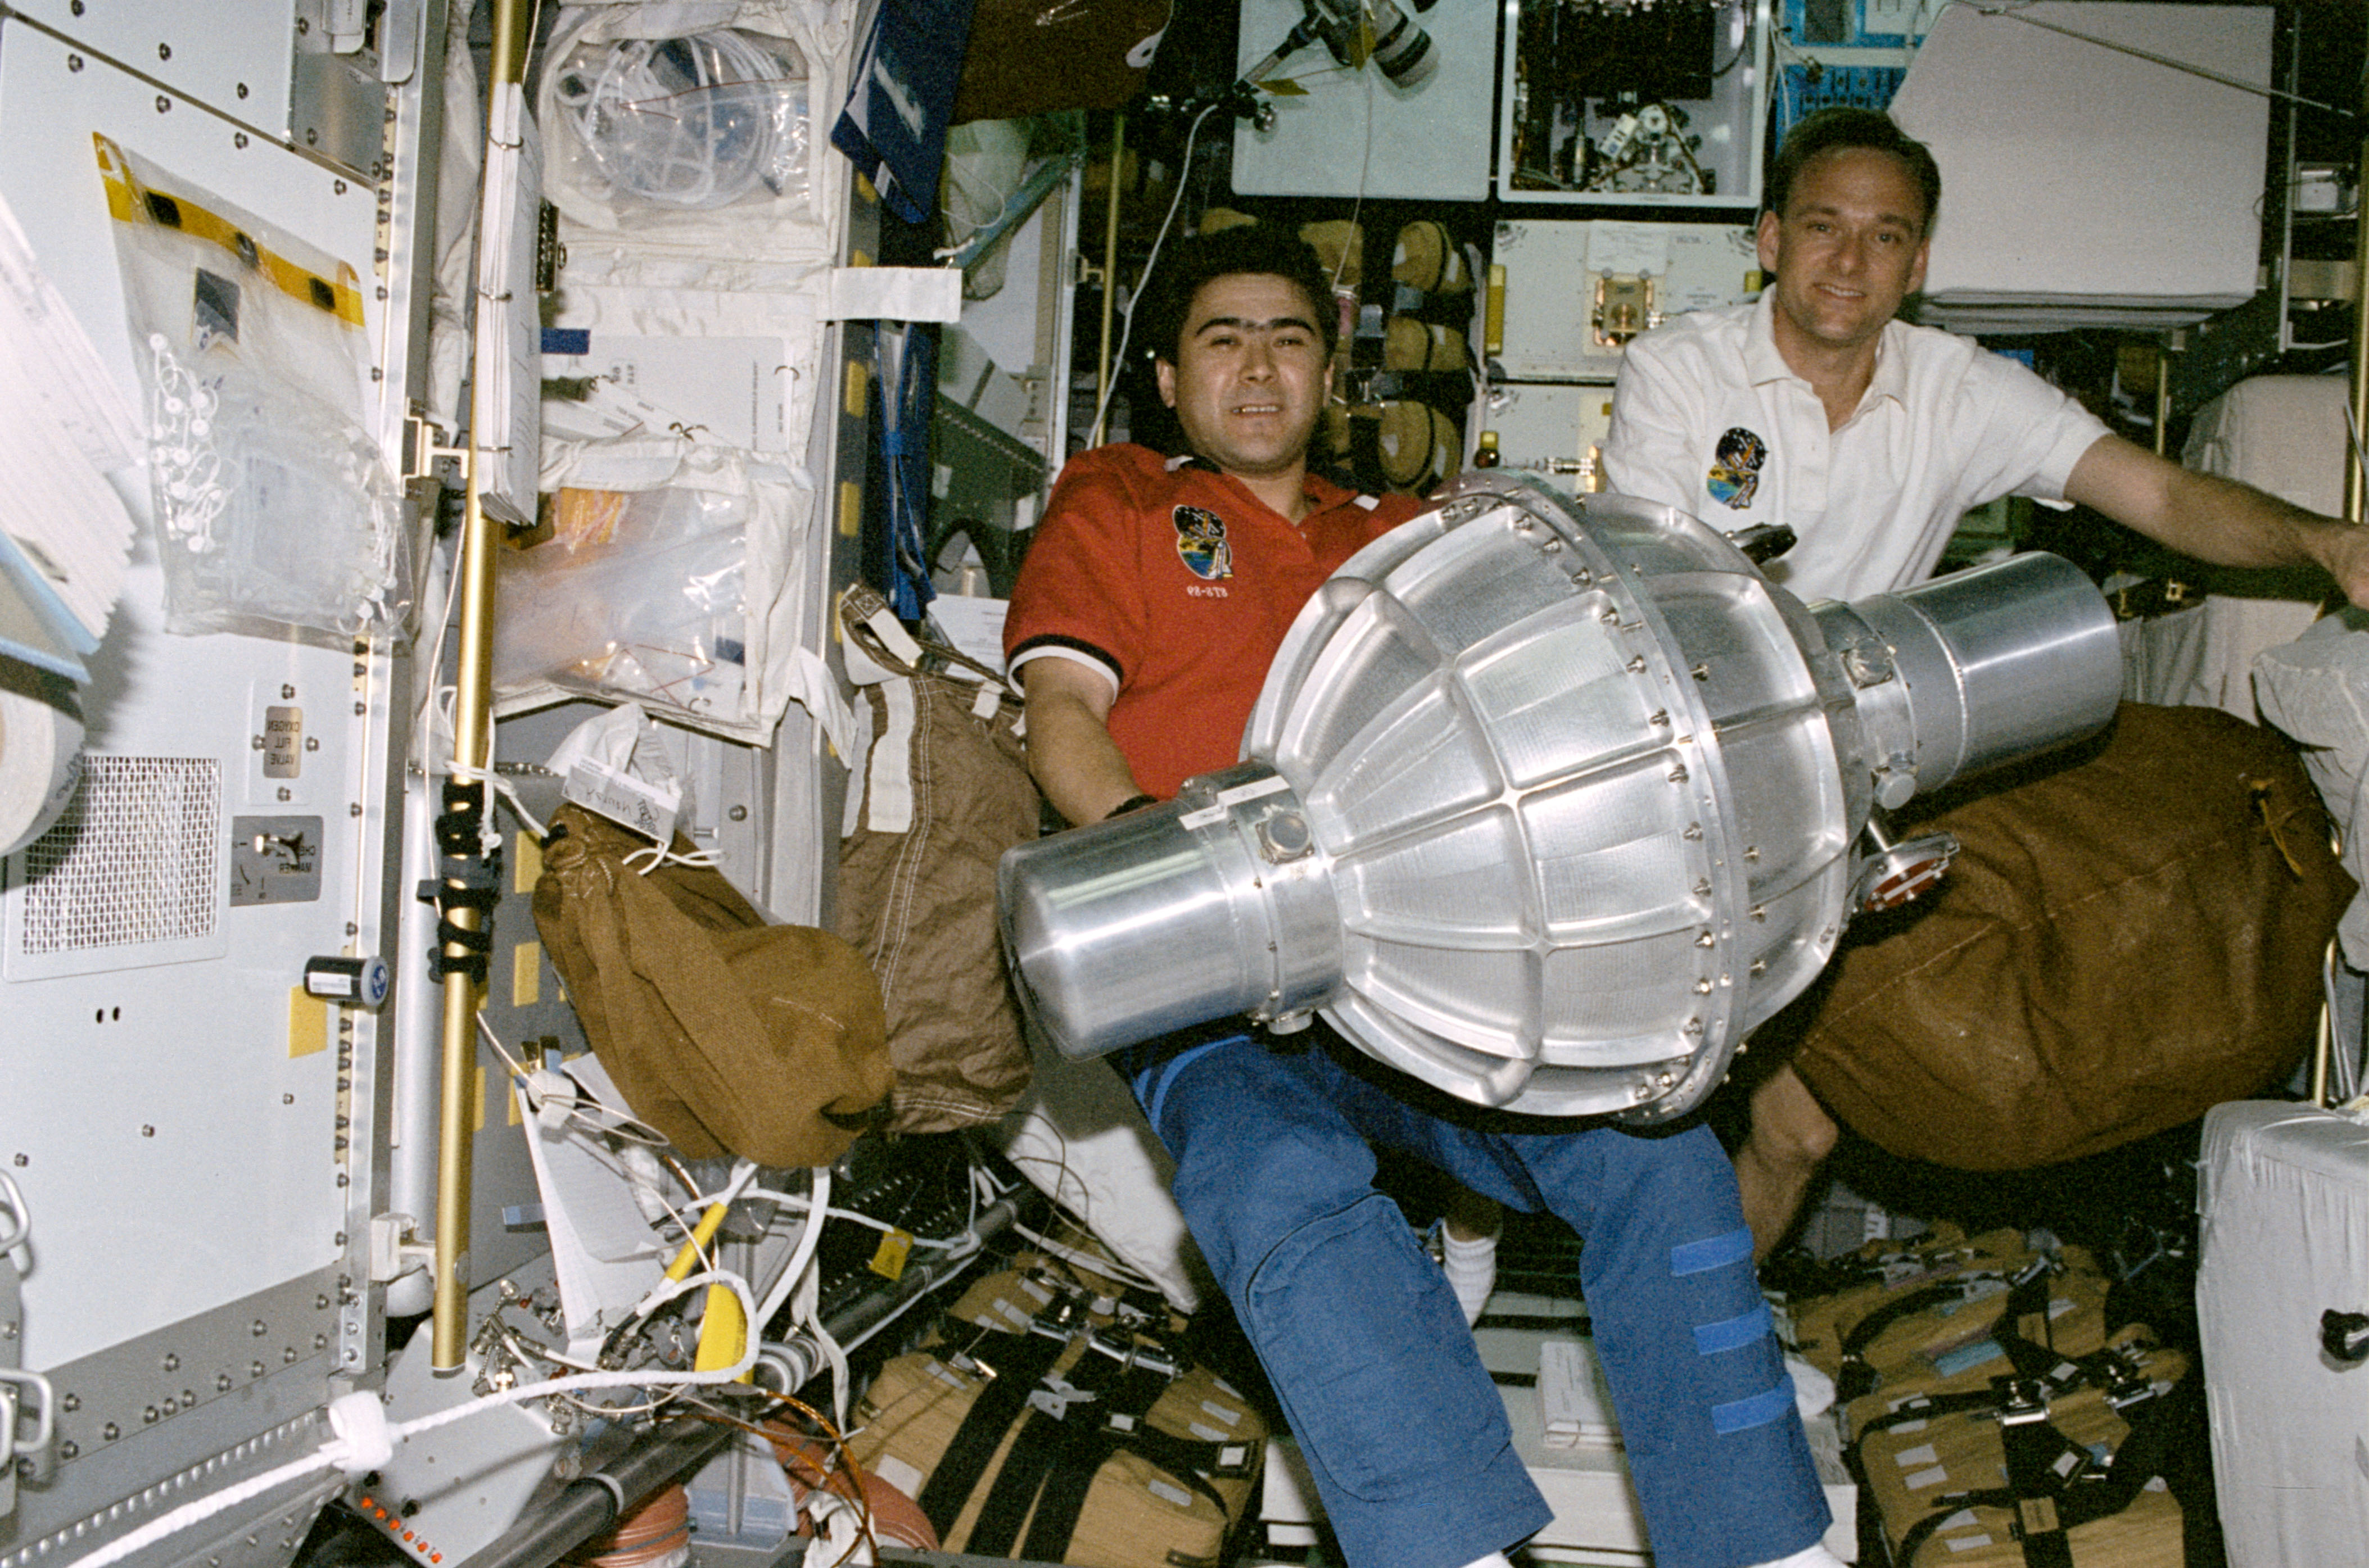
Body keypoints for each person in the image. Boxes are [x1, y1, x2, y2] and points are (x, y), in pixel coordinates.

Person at [1006, 221, 1842, 1568]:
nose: (1259, 368)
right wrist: (1170, 868)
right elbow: (1061, 714)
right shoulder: (1121, 506)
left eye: (1290, 338)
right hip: (1211, 974)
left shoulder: (1406, 540)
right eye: (1222, 339)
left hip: (1425, 982)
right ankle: (1449, 1545)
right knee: (1274, 1171)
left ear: (1331, 376)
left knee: (1661, 1170)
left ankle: (1760, 1545)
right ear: (1168, 378)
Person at [1603, 107, 2369, 1258]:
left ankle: (1703, 1367)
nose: (1848, 262)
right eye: (1821, 227)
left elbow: (2159, 498)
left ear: (1919, 262)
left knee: (1798, 1133)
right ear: (1767, 239)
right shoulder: (1678, 371)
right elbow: (1654, 598)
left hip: (1857, 788)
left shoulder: (1958, 388)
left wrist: (2324, 543)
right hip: (1694, 778)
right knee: (1638, 1106)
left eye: (1884, 236)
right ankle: (1582, 1307)